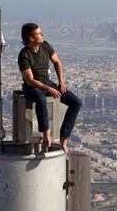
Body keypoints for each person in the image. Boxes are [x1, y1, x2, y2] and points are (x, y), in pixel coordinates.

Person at [18, 22, 82, 153]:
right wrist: (48, 88)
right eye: (39, 34)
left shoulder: (45, 46)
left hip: (46, 82)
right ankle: (46, 133)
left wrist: (61, 81)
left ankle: (64, 137)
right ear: (31, 38)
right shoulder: (24, 55)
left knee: (76, 102)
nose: (42, 35)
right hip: (32, 86)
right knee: (41, 99)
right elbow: (30, 80)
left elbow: (57, 62)